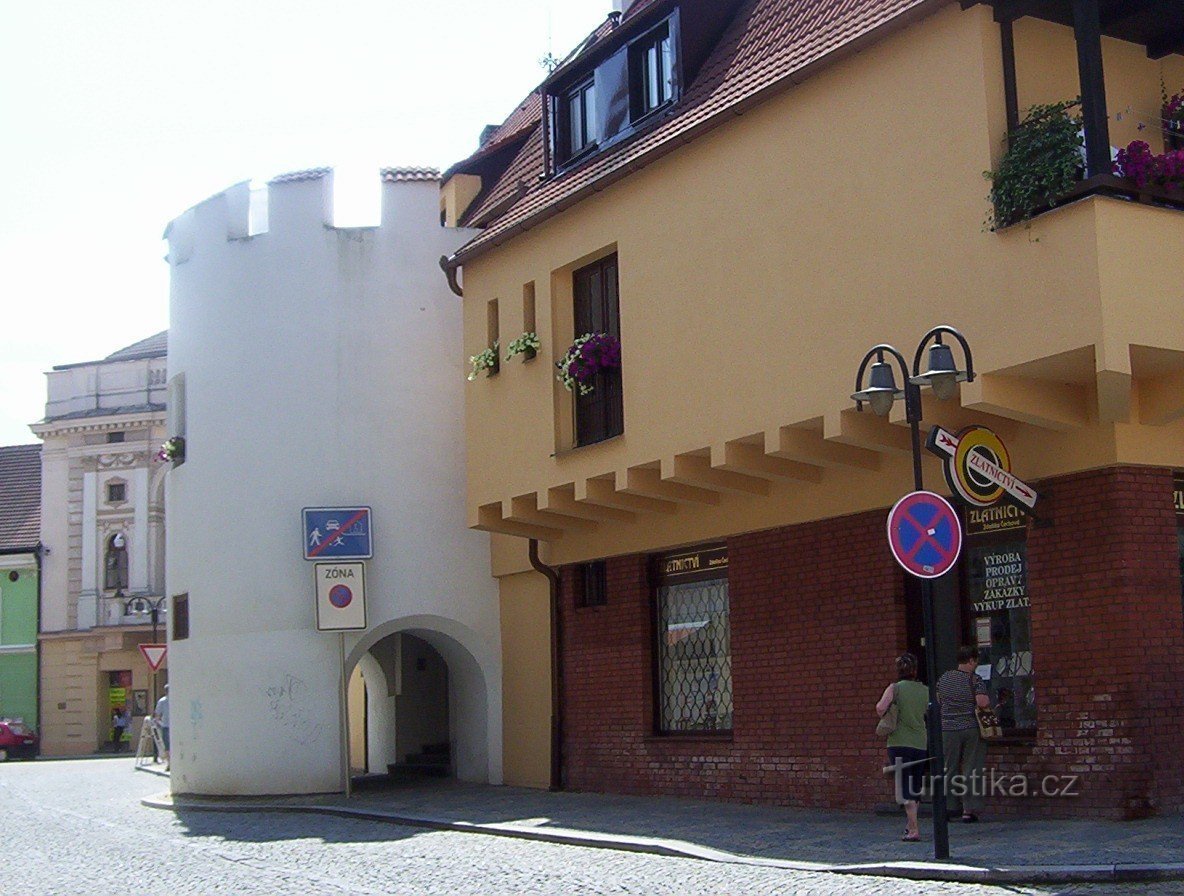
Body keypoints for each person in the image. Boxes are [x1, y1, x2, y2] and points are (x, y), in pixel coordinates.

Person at [876, 652, 929, 841]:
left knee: (904, 784)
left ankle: (914, 829)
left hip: (899, 742)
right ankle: (910, 825)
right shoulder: (925, 690)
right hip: (920, 742)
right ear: (915, 670)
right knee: (915, 784)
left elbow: (880, 708)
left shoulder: (895, 688)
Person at [937, 645, 992, 822]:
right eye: (975, 661)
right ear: (971, 661)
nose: (976, 665)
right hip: (970, 727)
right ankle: (969, 809)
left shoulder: (944, 678)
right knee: (971, 768)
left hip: (948, 728)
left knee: (949, 767)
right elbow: (982, 702)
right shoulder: (974, 679)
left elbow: (938, 699)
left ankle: (949, 807)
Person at [153, 686, 170, 770]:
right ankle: (170, 763)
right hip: (170, 726)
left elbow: (157, 715)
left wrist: (159, 723)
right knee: (169, 745)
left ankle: (169, 763)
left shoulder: (162, 701)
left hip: (166, 726)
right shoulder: (177, 699)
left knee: (167, 746)